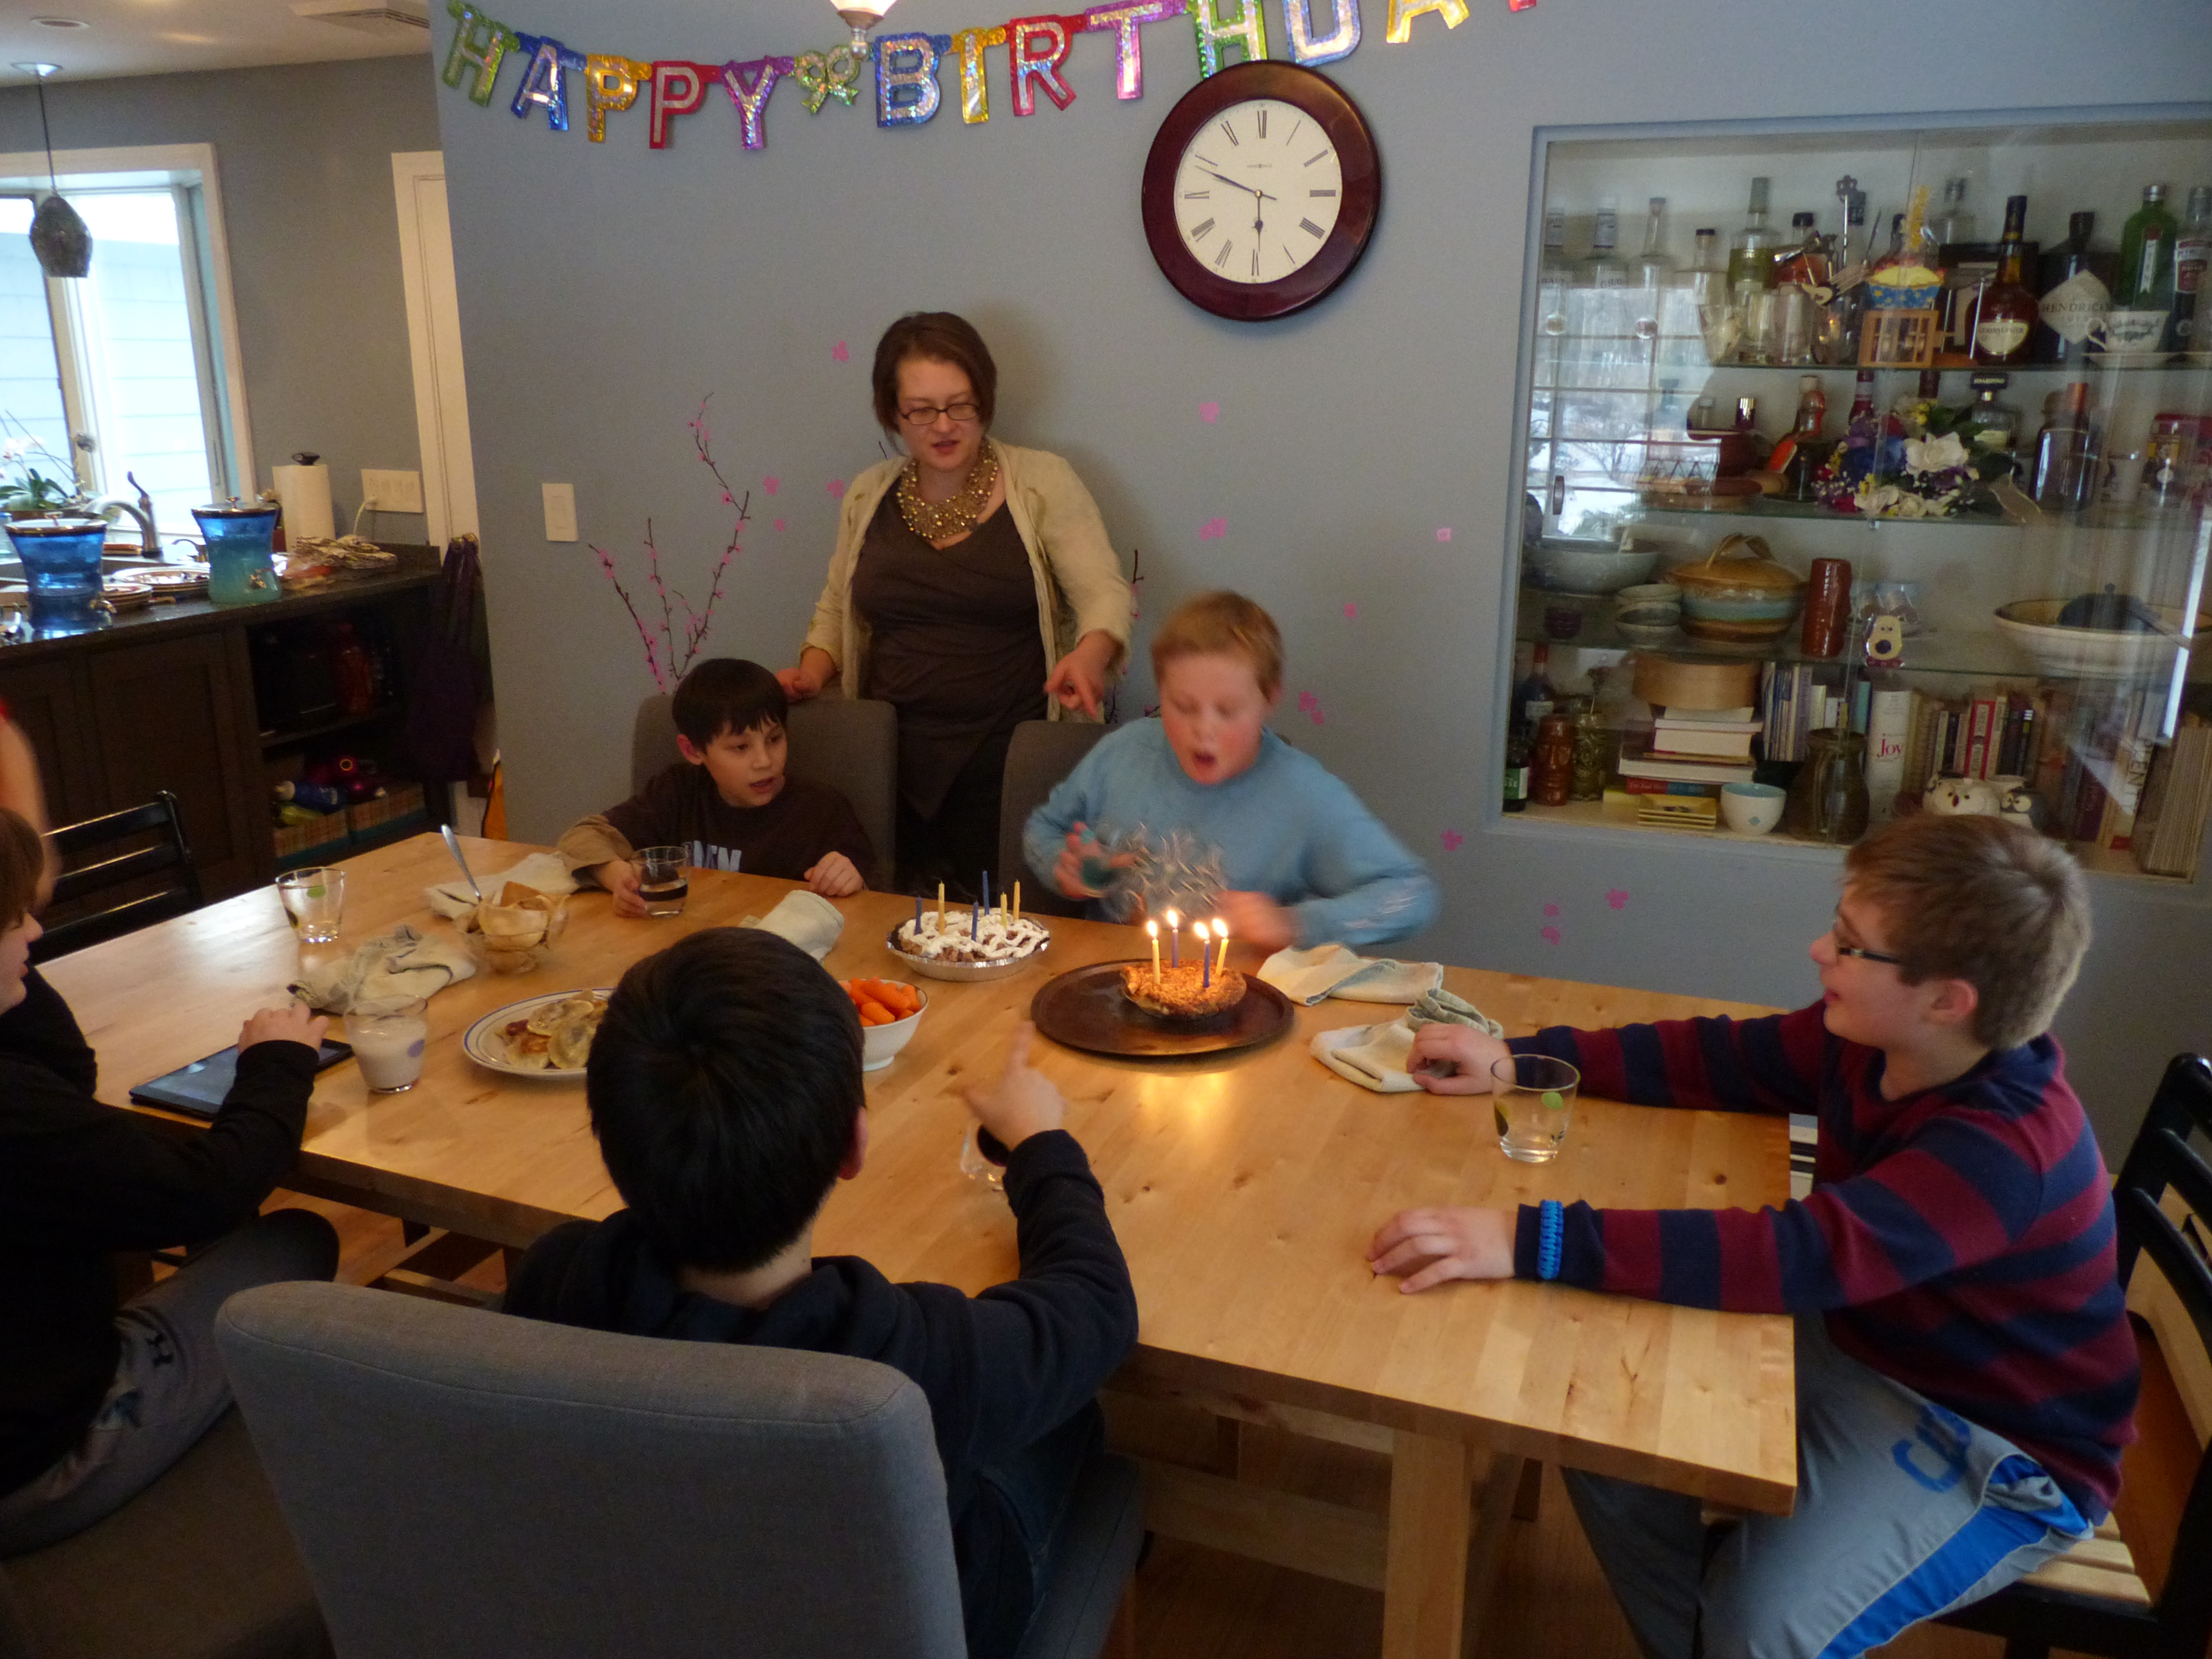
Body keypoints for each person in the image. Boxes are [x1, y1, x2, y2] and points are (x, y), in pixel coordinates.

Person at [1366, 813, 2138, 1659]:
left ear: (1947, 1001)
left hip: (1994, 1447)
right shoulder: (1888, 1040)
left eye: (1850, 944)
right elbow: (1727, 1057)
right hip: (1865, 1336)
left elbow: (1796, 1255)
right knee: (1596, 1397)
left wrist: (1530, 1237)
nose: (1819, 950)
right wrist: (1521, 1062)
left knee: (1760, 1628)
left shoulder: (2003, 1153)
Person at [503, 928, 1138, 1659]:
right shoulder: (904, 1359)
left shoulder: (555, 1279)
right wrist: (1040, 1145)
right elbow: (1097, 1305)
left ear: (607, 1141)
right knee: (1071, 1416)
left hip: (640, 1608)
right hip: (946, 1618)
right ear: (853, 1146)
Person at [0, 806, 340, 1554]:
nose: (36, 933)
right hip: (39, 1464)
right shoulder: (16, 1112)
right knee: (295, 1245)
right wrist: (278, 1063)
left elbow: (66, 1075)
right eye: (12, 920)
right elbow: (209, 1191)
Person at [779, 312, 1131, 900]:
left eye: (960, 406)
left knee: (1006, 928)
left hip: (1007, 761)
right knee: (890, 924)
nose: (943, 426)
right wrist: (813, 673)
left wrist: (1090, 657)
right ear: (892, 412)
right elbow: (838, 607)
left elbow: (1103, 592)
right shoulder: (868, 493)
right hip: (889, 761)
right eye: (921, 410)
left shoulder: (1043, 481)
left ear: (984, 402)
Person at [1023, 591, 1437, 951]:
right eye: (1183, 706)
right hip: (1108, 982)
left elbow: (1411, 894)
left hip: (1240, 996)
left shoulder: (1303, 794)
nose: (1204, 730)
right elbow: (1044, 828)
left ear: (1269, 699)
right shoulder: (1123, 754)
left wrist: (1292, 924)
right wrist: (1068, 868)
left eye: (1228, 710)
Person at [559, 658, 874, 909]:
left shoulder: (821, 810)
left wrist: (850, 877)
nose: (764, 761)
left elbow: (873, 890)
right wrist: (615, 876)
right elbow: (582, 836)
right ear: (693, 751)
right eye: (741, 747)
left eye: (775, 739)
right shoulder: (678, 792)